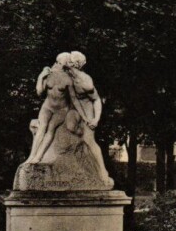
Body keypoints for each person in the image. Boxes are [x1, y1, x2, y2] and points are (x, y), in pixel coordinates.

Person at [66, 51, 114, 188]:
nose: (66, 62)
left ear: (74, 63)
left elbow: (96, 99)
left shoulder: (85, 80)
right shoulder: (66, 76)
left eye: (69, 60)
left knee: (89, 140)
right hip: (73, 110)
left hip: (87, 109)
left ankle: (102, 172)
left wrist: (95, 119)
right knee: (69, 128)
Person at [26, 52, 73, 163]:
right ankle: (31, 156)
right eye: (67, 61)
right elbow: (39, 92)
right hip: (47, 106)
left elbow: (74, 98)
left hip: (61, 109)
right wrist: (40, 77)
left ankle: (38, 157)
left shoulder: (69, 77)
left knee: (51, 128)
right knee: (42, 127)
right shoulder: (49, 73)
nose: (69, 63)